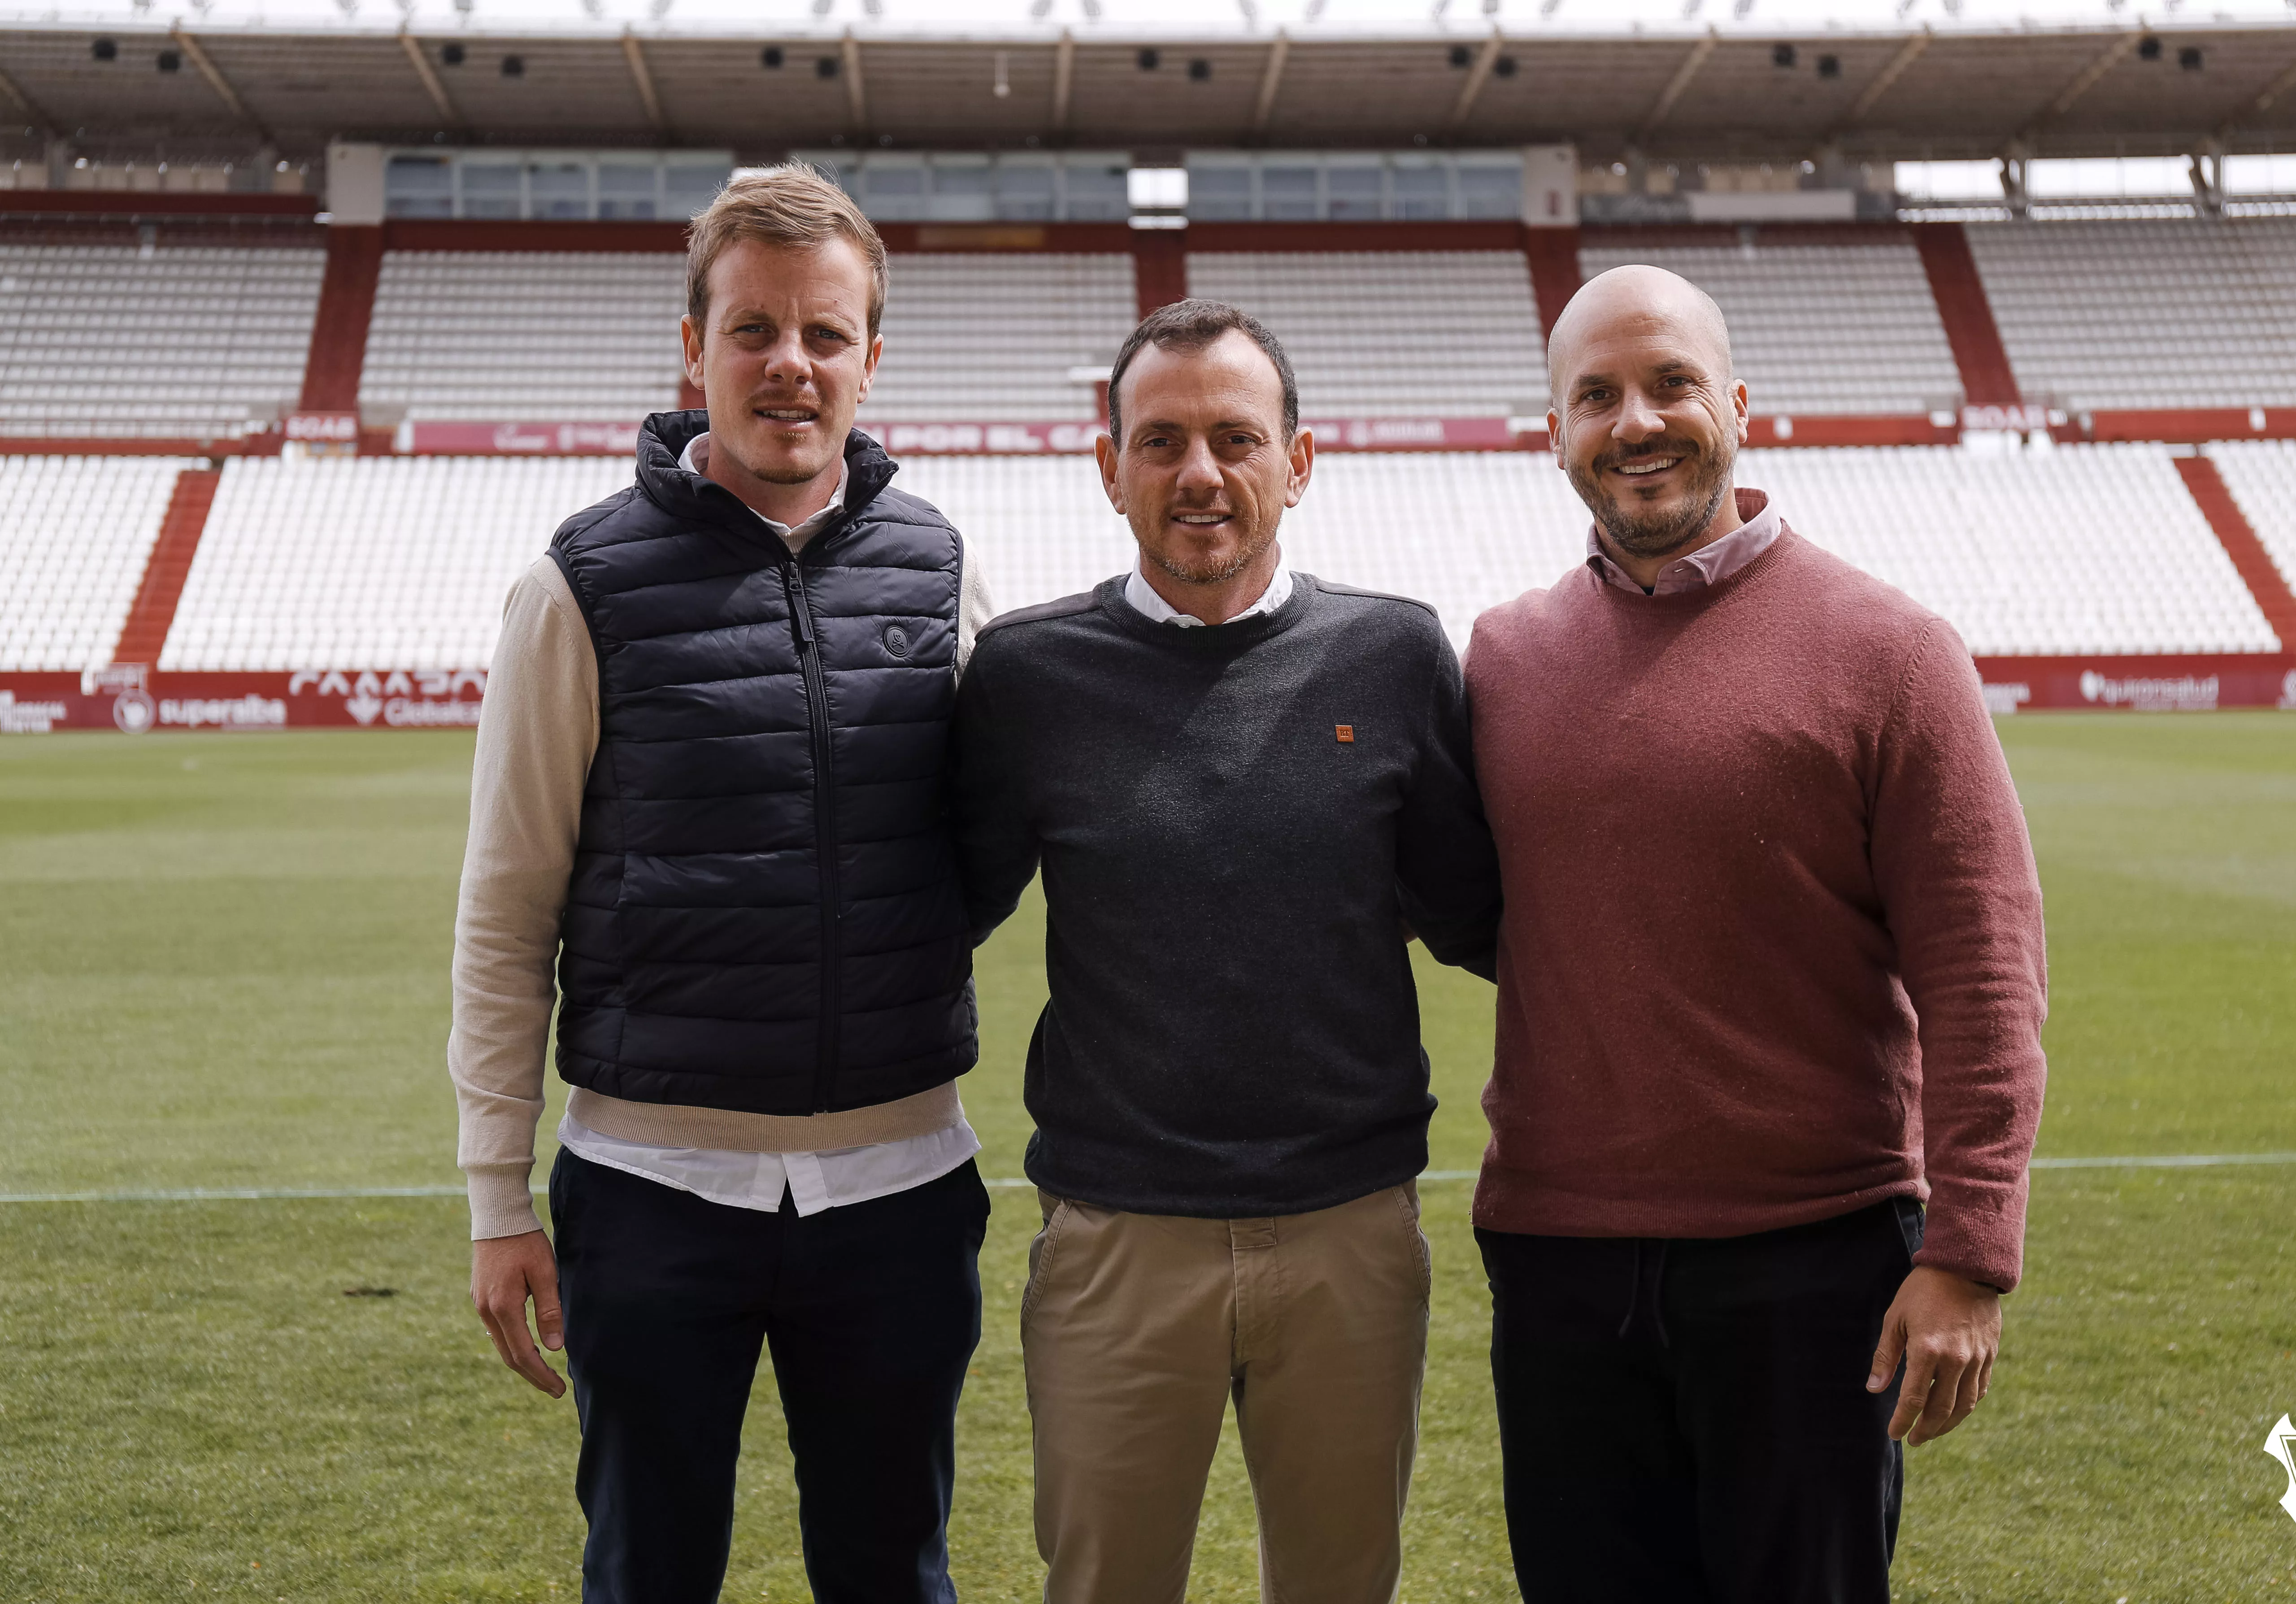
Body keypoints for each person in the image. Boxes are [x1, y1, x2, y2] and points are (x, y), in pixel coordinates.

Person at [450, 165, 996, 1604]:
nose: (790, 366)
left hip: (901, 1189)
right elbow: (507, 909)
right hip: (648, 1191)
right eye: (753, 329)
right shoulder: (577, 585)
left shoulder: (945, 575)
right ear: (693, 349)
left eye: (826, 335)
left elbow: (987, 856)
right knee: (646, 1574)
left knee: (894, 1574)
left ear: (872, 359)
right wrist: (496, 1195)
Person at [1462, 265, 2048, 1604]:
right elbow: (1484, 911)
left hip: (1812, 1262)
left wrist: (1967, 1252)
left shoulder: (1893, 651)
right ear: (1553, 429)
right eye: (1594, 396)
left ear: (1734, 401)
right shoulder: (1500, 658)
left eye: (1668, 383)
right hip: (1558, 1263)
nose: (1635, 422)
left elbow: (1984, 968)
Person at [948, 299, 1502, 1604]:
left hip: (1349, 1237)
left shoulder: (1393, 653)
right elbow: (932, 913)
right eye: (1162, 440)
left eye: (1236, 438)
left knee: (1338, 1588)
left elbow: (1488, 921)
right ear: (1110, 468)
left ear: (1296, 464)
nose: (1201, 473)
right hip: (1115, 1244)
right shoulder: (1027, 678)